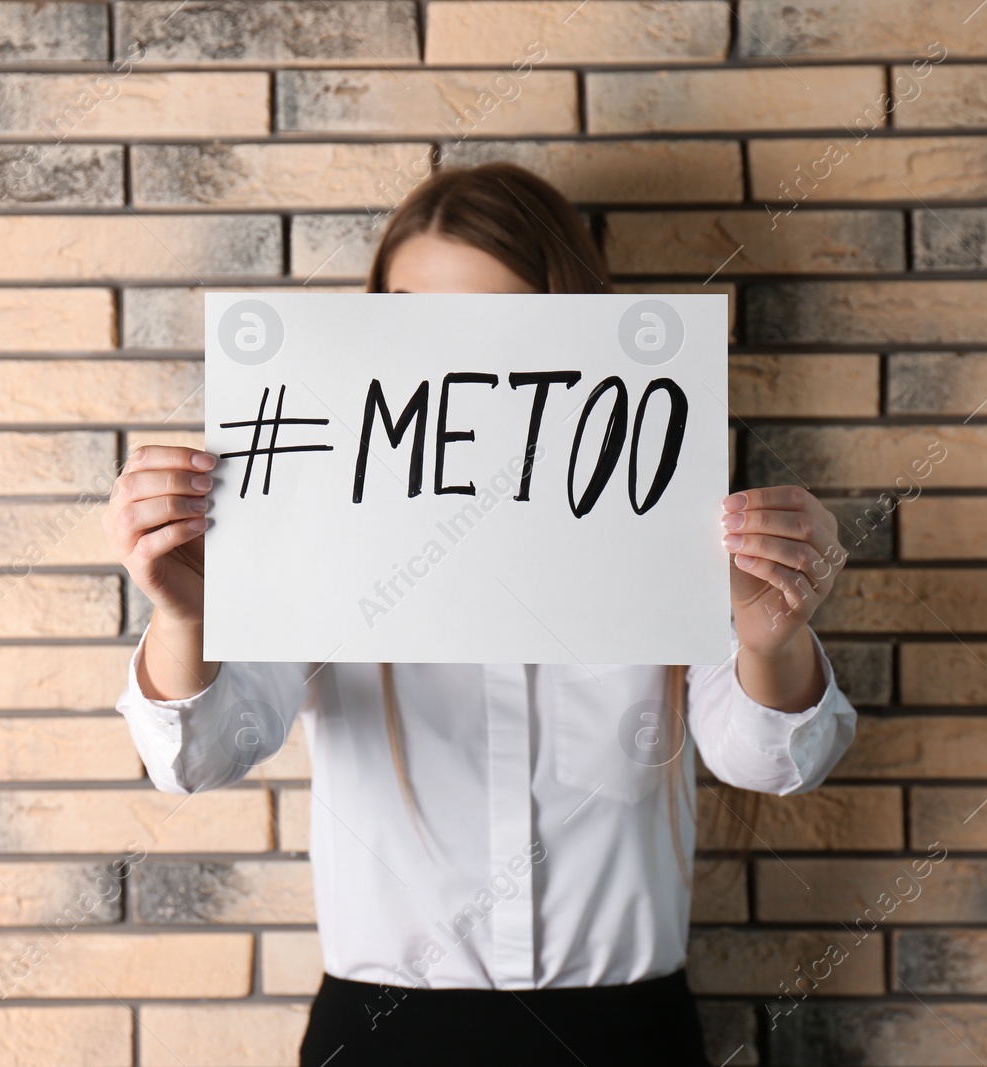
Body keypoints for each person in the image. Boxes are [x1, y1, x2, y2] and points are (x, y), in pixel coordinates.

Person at [105, 162, 857, 1067]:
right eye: (415, 320)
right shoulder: (312, 525)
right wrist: (188, 619)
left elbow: (768, 758)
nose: (451, 361)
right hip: (385, 1036)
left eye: (496, 324)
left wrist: (769, 635)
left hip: (622, 1035)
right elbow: (198, 753)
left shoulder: (664, 514)